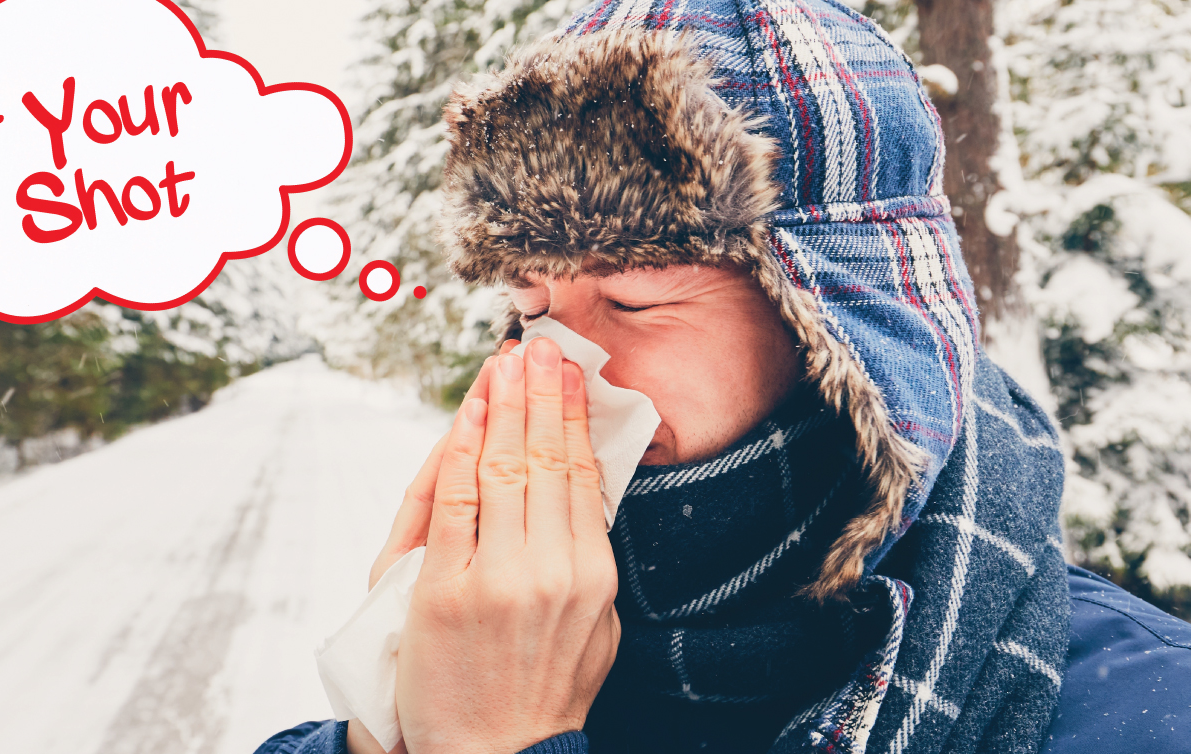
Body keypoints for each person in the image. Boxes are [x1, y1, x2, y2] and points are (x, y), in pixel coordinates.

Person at [258, 1, 1191, 752]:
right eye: (531, 305)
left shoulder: (1142, 709)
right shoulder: (494, 631)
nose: (558, 368)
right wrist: (392, 722)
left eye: (634, 302)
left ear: (843, 326)